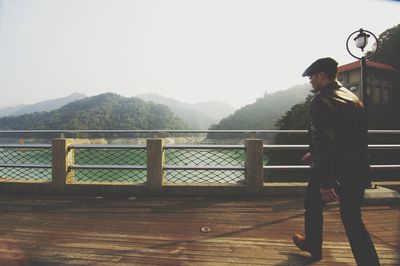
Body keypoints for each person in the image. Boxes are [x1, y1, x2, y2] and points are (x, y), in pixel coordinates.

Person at [292, 57, 380, 265]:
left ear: (322, 75)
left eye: (312, 76)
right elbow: (350, 137)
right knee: (352, 219)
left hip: (333, 169)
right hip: (357, 169)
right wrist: (314, 153)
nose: (310, 81)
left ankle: (313, 245)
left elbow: (323, 139)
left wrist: (326, 182)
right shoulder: (353, 99)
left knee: (313, 202)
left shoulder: (321, 100)